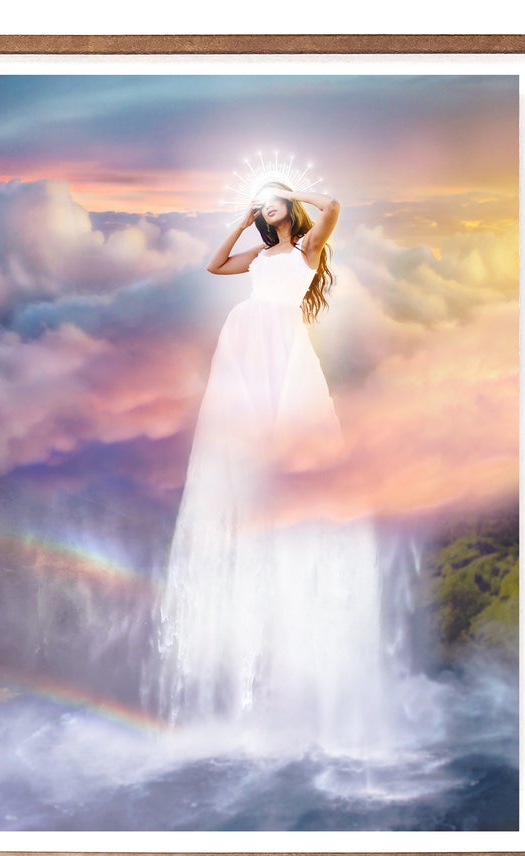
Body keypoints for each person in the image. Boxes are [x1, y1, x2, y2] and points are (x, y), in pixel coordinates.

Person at [152, 181, 394, 756]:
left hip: (282, 340)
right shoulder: (259, 255)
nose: (267, 206)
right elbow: (214, 266)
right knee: (245, 425)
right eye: (263, 202)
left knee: (289, 418)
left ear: (289, 210)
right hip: (244, 338)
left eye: (273, 202)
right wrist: (241, 221)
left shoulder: (307, 249)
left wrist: (290, 184)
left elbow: (335, 207)